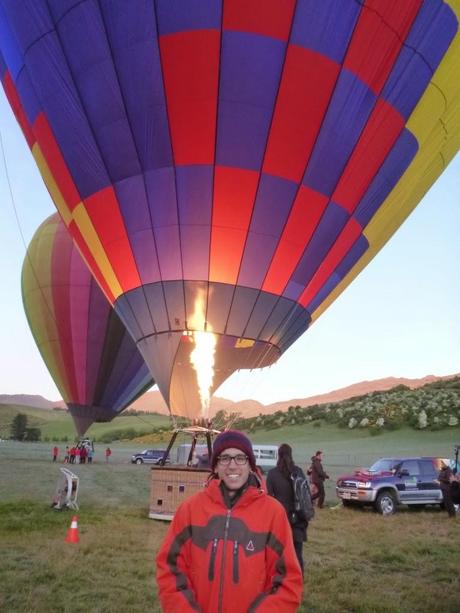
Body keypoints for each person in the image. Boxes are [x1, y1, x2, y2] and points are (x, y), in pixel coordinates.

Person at [156, 430, 303, 612]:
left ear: (250, 465)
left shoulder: (273, 513)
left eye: (240, 458)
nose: (232, 466)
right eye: (224, 458)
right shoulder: (189, 510)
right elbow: (170, 569)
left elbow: (287, 581)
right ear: (215, 467)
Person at [266, 444, 309, 575]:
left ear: (278, 455)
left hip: (280, 519)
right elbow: (305, 494)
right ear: (291, 454)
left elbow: (268, 498)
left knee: (278, 554)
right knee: (297, 554)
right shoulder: (298, 472)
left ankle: (281, 581)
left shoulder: (272, 474)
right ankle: (298, 581)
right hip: (298, 518)